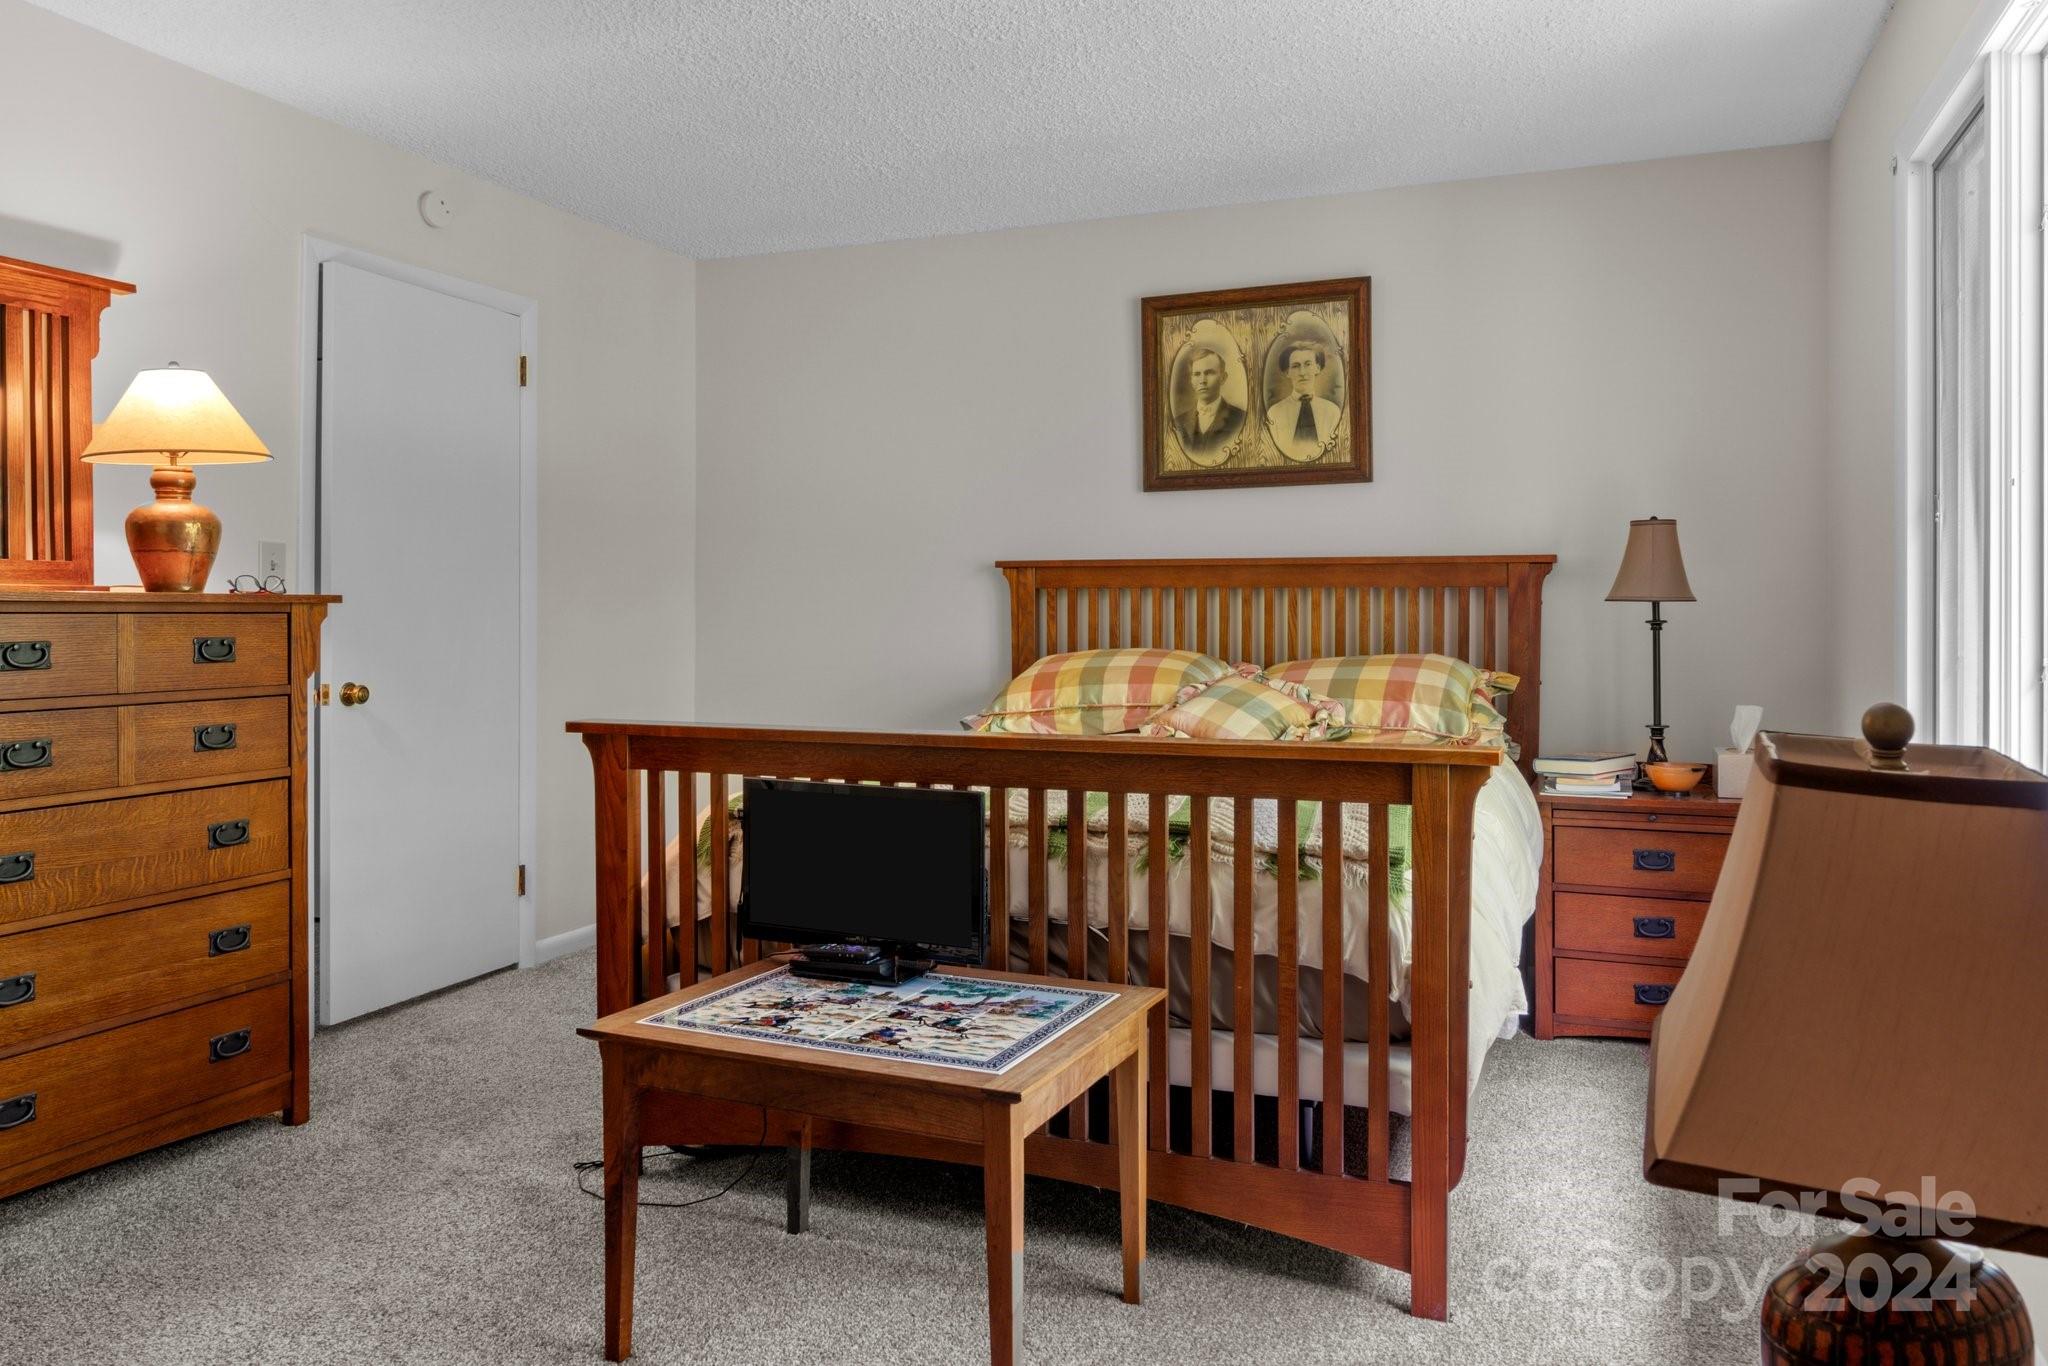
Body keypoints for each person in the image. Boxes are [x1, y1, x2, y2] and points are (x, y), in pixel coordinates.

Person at [1264, 337, 1342, 461]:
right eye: (1295, 366)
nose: (1302, 372)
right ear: (1287, 372)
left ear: (1317, 368)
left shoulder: (1332, 412)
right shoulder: (1274, 414)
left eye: (1308, 364)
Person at [1172, 346, 1246, 462]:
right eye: (1197, 374)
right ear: (1191, 380)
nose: (1202, 380)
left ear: (1223, 378)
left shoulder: (1240, 419)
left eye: (1209, 373)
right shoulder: (1178, 422)